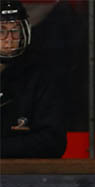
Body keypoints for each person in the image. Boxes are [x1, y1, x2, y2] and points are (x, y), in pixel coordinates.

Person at [0, 0, 65, 158]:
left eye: (15, 30)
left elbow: (53, 141)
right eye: (1, 31)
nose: (10, 39)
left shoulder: (40, 76)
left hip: (26, 178)